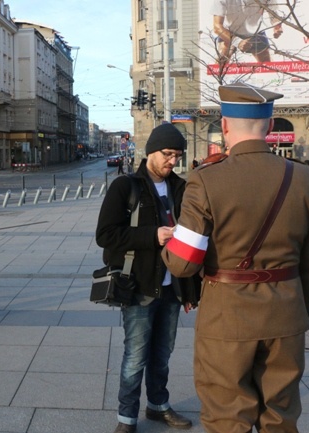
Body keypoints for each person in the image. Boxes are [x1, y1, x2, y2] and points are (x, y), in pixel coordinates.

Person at [162, 83, 309, 433]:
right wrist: (296, 302)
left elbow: (182, 262)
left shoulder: (206, 180)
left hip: (226, 317)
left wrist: (167, 244)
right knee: (281, 419)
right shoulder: (304, 178)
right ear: (269, 127)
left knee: (227, 419)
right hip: (286, 314)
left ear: (224, 125)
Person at [96, 123, 194, 433]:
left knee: (162, 354)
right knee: (135, 356)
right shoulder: (126, 187)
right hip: (138, 287)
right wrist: (154, 235)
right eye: (167, 154)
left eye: (177, 156)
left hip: (172, 287)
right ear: (151, 151)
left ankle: (158, 406)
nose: (172, 161)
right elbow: (106, 235)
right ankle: (127, 418)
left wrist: (191, 290)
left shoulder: (182, 188)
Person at [212, 0, 283, 65]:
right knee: (222, 60)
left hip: (255, 32)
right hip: (230, 32)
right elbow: (217, 26)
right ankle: (216, 78)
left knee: (268, 65)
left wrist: (277, 26)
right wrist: (237, 42)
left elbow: (273, 13)